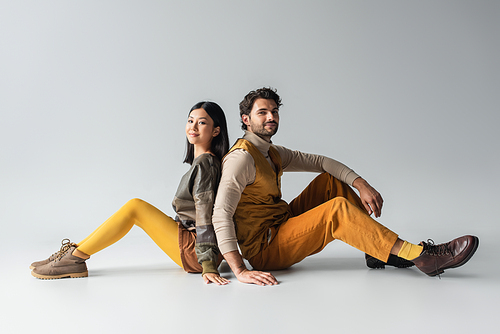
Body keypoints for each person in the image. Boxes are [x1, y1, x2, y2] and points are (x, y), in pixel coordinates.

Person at [211, 87, 479, 286]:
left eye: (274, 111)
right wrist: (239, 269)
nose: (271, 117)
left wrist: (360, 183)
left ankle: (378, 253)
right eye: (262, 113)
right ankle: (420, 256)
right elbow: (221, 213)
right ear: (246, 120)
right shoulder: (241, 159)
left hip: (280, 223)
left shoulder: (272, 152)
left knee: (330, 181)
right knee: (335, 210)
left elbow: (321, 162)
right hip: (265, 248)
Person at [30, 101, 231, 285]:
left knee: (135, 207)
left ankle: (73, 258)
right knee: (136, 207)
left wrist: (208, 265)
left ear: (216, 131)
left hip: (198, 251)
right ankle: (70, 255)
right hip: (196, 243)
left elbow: (205, 215)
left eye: (202, 122)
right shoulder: (205, 162)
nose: (193, 127)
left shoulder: (206, 163)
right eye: (190, 120)